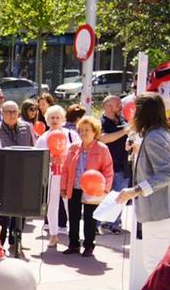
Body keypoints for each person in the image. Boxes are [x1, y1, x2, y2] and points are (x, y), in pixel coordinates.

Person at [117, 93, 170, 290]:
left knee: (154, 264)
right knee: (165, 263)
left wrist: (135, 190)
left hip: (159, 211)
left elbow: (166, 173)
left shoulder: (155, 136)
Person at [60, 116, 113, 256]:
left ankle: (89, 245)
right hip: (74, 187)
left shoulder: (102, 149)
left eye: (87, 130)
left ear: (95, 131)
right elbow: (65, 169)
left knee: (90, 218)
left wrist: (105, 189)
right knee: (73, 217)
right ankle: (73, 244)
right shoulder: (73, 148)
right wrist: (63, 187)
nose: (83, 133)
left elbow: (108, 171)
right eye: (81, 130)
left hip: (92, 189)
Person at [35, 105, 81, 249]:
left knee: (70, 205)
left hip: (69, 175)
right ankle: (53, 234)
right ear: (47, 120)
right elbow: (37, 157)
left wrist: (67, 157)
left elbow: (79, 151)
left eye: (57, 117)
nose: (55, 120)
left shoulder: (71, 134)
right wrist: (50, 160)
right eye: (52, 118)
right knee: (52, 204)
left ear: (63, 119)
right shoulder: (43, 138)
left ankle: (74, 236)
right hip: (52, 176)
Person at [0, 101, 35, 258]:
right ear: (2, 113)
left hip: (23, 175)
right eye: (7, 112)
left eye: (14, 111)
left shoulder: (27, 127)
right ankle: (1, 241)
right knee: (3, 212)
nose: (11, 115)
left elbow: (33, 147)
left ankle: (16, 239)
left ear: (19, 113)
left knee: (21, 210)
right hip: (3, 176)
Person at [99, 95, 132, 233]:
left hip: (122, 166)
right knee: (103, 197)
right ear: (108, 107)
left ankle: (115, 224)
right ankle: (96, 224)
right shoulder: (101, 122)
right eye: (118, 105)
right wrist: (125, 131)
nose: (121, 107)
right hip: (106, 166)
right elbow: (103, 138)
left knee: (119, 196)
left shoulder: (124, 120)